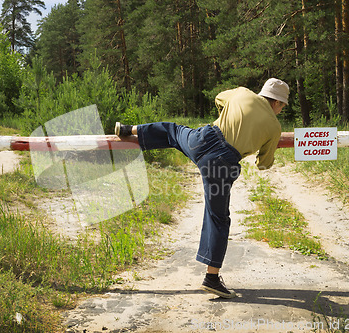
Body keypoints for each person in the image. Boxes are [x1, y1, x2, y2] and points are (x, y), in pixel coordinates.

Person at [115, 78, 289, 298]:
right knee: (217, 218)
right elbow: (264, 164)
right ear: (276, 102)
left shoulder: (243, 93)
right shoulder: (274, 126)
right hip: (221, 166)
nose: (282, 110)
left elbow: (219, 99)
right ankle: (212, 278)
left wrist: (226, 116)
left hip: (202, 140)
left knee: (173, 131)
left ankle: (128, 130)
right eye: (283, 105)